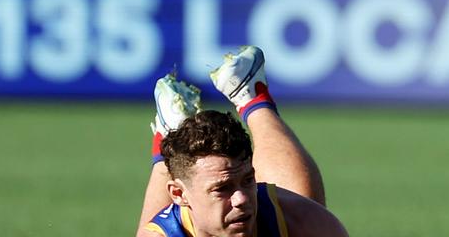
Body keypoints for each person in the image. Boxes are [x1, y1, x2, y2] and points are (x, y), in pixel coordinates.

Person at [137, 46, 348, 237]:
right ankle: (171, 133)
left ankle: (250, 94)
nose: (242, 199)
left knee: (295, 213)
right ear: (179, 194)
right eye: (222, 188)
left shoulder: (308, 222)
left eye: (248, 180)